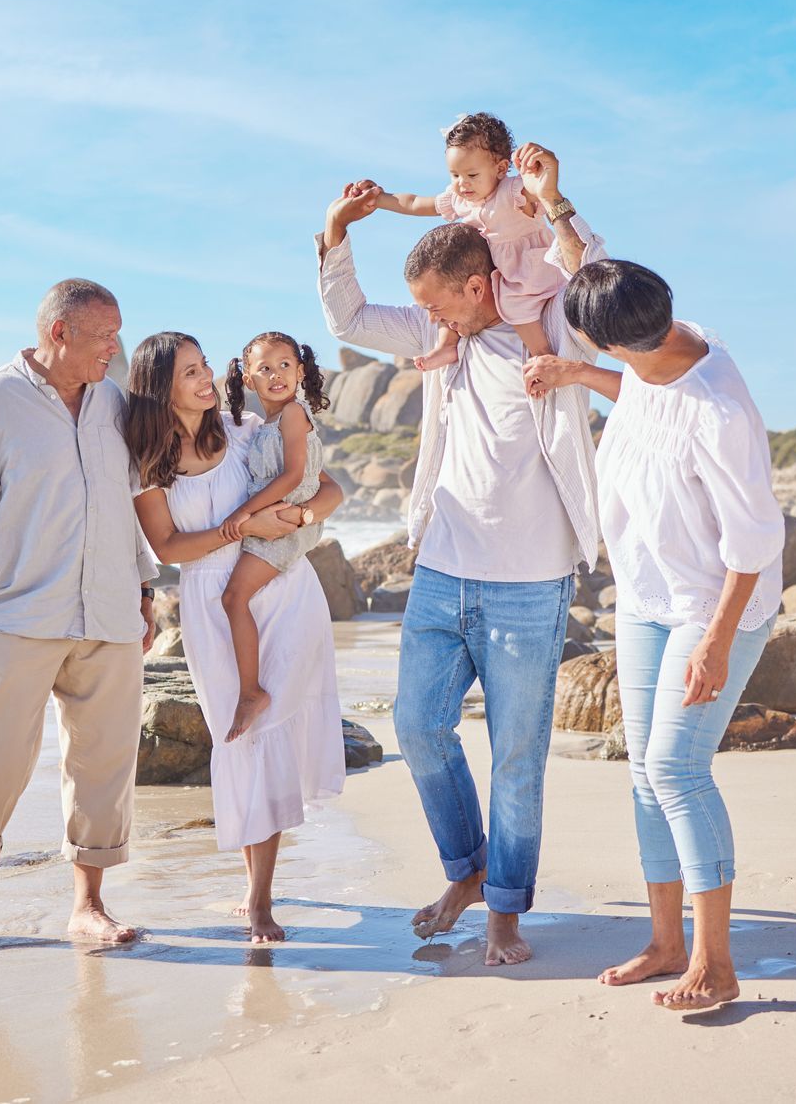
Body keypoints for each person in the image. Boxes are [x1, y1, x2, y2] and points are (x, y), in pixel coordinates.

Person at [317, 144, 606, 966]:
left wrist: (553, 201)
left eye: (440, 306)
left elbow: (595, 275)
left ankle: (506, 910)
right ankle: (469, 868)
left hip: (528, 583)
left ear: (478, 286)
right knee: (418, 725)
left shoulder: (546, 324)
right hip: (441, 571)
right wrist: (336, 232)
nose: (430, 322)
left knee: (518, 757)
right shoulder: (435, 330)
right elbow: (347, 319)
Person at [521, 260, 785, 1010]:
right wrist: (578, 373)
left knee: (675, 768)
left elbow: (754, 544)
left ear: (621, 342)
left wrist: (716, 642)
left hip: (712, 607)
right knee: (643, 771)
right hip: (645, 598)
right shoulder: (654, 349)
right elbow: (640, 395)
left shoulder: (720, 411)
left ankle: (716, 962)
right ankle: (666, 943)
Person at [0, 278, 158, 949]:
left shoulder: (114, 402)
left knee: (104, 764)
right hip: (21, 610)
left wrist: (144, 588)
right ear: (59, 333)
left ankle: (88, 903)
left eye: (117, 333)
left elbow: (127, 502)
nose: (116, 347)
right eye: (104, 336)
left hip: (108, 611)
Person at [124, 331, 348, 943]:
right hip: (212, 603)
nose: (204, 380)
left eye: (203, 368)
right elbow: (168, 548)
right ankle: (256, 891)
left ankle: (259, 899)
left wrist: (298, 517)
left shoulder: (244, 428)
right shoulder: (148, 463)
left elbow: (327, 488)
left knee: (269, 732)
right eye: (189, 373)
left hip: (284, 589)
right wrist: (238, 527)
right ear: (160, 388)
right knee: (239, 740)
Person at [368, 113, 562, 372]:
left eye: (471, 174)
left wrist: (537, 170)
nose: (462, 184)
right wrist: (379, 199)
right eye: (455, 175)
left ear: (501, 169)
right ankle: (447, 345)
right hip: (489, 270)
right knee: (448, 295)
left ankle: (543, 356)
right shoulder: (460, 199)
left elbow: (539, 189)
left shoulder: (513, 193)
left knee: (516, 305)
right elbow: (415, 203)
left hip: (523, 270)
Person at [217, 332, 331, 739]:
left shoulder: (292, 415)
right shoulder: (266, 423)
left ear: (300, 372)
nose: (276, 374)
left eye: (285, 365)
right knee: (240, 599)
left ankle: (251, 692)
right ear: (249, 380)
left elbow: (295, 475)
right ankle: (254, 685)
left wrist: (244, 511)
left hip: (281, 526)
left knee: (234, 597)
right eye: (264, 368)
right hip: (277, 520)